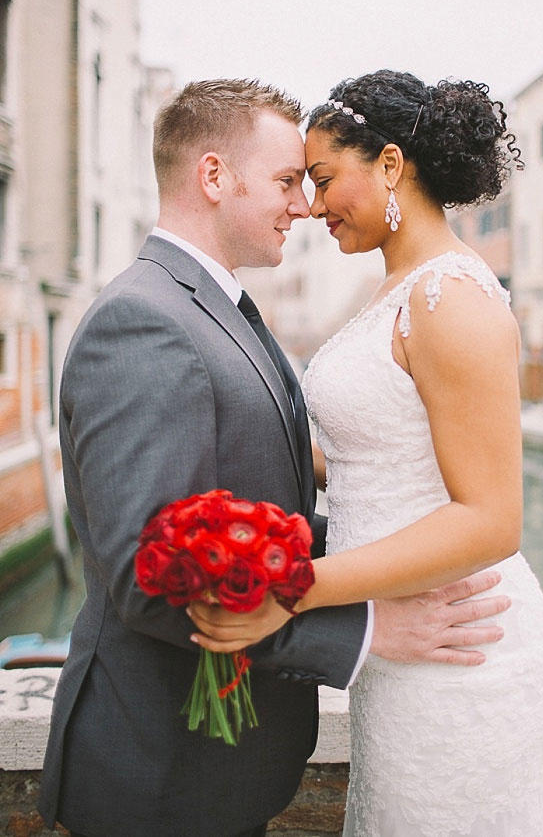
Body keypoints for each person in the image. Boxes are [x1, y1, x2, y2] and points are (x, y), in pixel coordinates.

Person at [38, 78, 511, 837]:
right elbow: (146, 573)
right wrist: (365, 630)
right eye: (290, 181)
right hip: (160, 770)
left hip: (220, 765)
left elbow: (270, 505)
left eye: (312, 182)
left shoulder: (220, 308)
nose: (305, 205)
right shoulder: (143, 321)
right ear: (215, 176)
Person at [190, 71, 543, 836]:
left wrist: (293, 587)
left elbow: (493, 521)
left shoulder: (452, 298)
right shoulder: (396, 287)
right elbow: (382, 454)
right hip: (402, 640)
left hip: (464, 646)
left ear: (392, 166)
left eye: (325, 179)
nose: (310, 206)